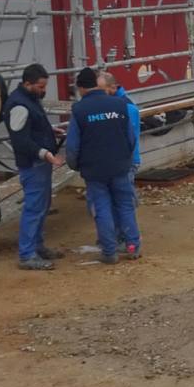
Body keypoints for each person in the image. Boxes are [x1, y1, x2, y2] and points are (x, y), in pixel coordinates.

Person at [65, 67, 141, 264]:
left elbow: (72, 146)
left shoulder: (79, 110)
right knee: (125, 206)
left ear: (81, 88)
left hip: (94, 169)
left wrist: (75, 165)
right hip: (120, 165)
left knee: (102, 208)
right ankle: (132, 246)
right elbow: (131, 138)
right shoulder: (119, 104)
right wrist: (125, 158)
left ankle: (109, 251)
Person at [6, 63, 66, 271]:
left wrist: (49, 130)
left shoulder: (29, 99)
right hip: (33, 164)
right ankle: (27, 254)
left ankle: (37, 247)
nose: (43, 90)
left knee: (41, 206)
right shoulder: (19, 105)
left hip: (38, 163)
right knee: (34, 208)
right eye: (40, 86)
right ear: (27, 83)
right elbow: (21, 140)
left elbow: (31, 127)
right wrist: (45, 153)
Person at [98, 70, 143, 256]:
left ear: (112, 87)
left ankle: (125, 238)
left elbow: (128, 138)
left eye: (102, 90)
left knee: (122, 202)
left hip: (125, 161)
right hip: (123, 160)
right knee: (121, 200)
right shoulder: (123, 104)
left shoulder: (125, 108)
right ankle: (122, 237)